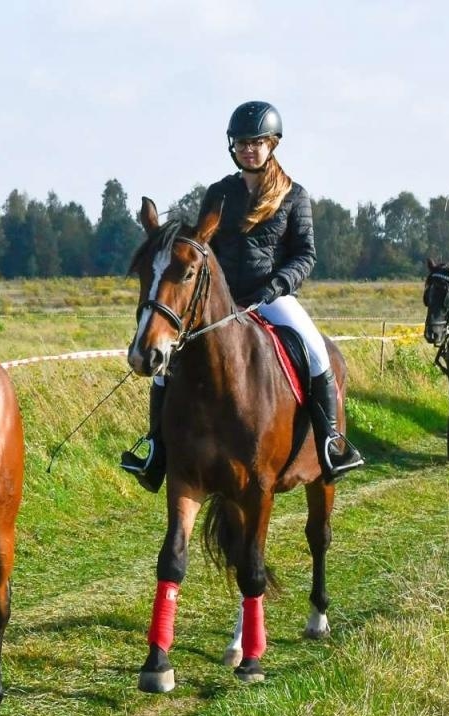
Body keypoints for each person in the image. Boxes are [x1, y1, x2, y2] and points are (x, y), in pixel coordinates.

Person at [121, 100, 362, 489]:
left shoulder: (293, 196)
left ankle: (331, 441)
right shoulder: (219, 193)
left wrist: (276, 286)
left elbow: (306, 254)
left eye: (256, 142)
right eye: (241, 143)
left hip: (274, 297)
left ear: (273, 144)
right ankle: (155, 448)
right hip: (220, 301)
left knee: (318, 353)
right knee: (167, 363)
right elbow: (201, 247)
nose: (248, 149)